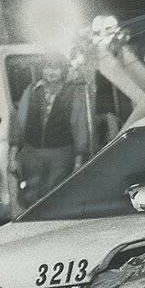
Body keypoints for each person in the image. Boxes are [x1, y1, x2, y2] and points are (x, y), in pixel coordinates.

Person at [9, 53, 90, 207]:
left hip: (61, 155)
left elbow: (78, 125)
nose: (51, 72)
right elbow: (19, 123)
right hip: (32, 154)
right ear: (42, 69)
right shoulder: (31, 90)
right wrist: (12, 157)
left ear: (63, 71)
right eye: (47, 67)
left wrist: (78, 162)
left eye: (56, 68)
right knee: (29, 199)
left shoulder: (73, 93)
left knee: (56, 199)